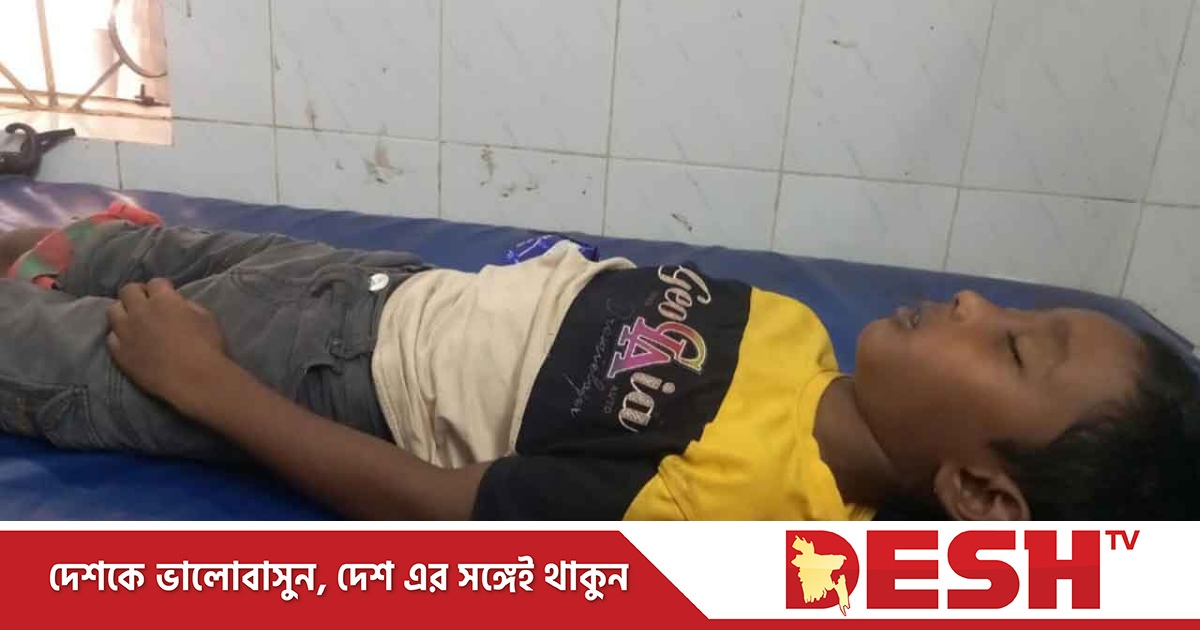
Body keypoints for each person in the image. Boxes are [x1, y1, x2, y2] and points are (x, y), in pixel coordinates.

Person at [0, 203, 1197, 521]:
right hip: (367, 281)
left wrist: (207, 384)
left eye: (1014, 345)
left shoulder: (736, 507)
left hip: (307, 368)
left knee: (36, 348)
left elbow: (442, 507)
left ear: (980, 489)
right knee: (90, 242)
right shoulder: (794, 329)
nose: (977, 302)